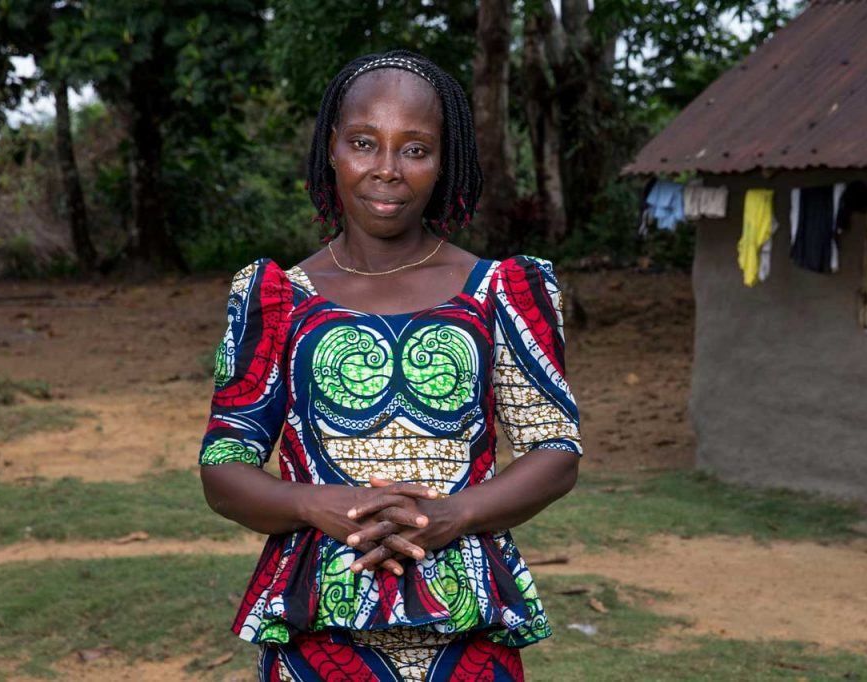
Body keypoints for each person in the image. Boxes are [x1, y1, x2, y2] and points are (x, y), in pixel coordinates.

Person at [198, 49, 583, 682]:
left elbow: (556, 449)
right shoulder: (275, 297)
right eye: (363, 143)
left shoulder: (502, 290)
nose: (386, 170)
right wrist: (316, 504)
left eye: (415, 149)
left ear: (443, 161)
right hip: (318, 629)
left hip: (468, 624)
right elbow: (223, 469)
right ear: (331, 149)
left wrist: (453, 515)